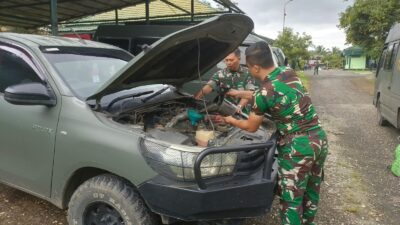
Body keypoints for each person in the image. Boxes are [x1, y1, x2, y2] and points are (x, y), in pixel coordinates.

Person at [216, 42, 328, 225]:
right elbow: (273, 91)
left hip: (297, 147)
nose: (249, 70)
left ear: (256, 67)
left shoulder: (263, 94)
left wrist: (230, 120)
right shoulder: (288, 72)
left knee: (291, 200)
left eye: (249, 66)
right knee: (312, 188)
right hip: (319, 140)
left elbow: (251, 126)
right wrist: (240, 93)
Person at [194, 49, 255, 113]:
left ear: (239, 59)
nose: (228, 62)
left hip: (241, 112)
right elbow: (209, 87)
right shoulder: (220, 74)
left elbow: (248, 93)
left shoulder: (248, 73)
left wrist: (239, 107)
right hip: (223, 109)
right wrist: (196, 98)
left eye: (231, 60)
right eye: (226, 60)